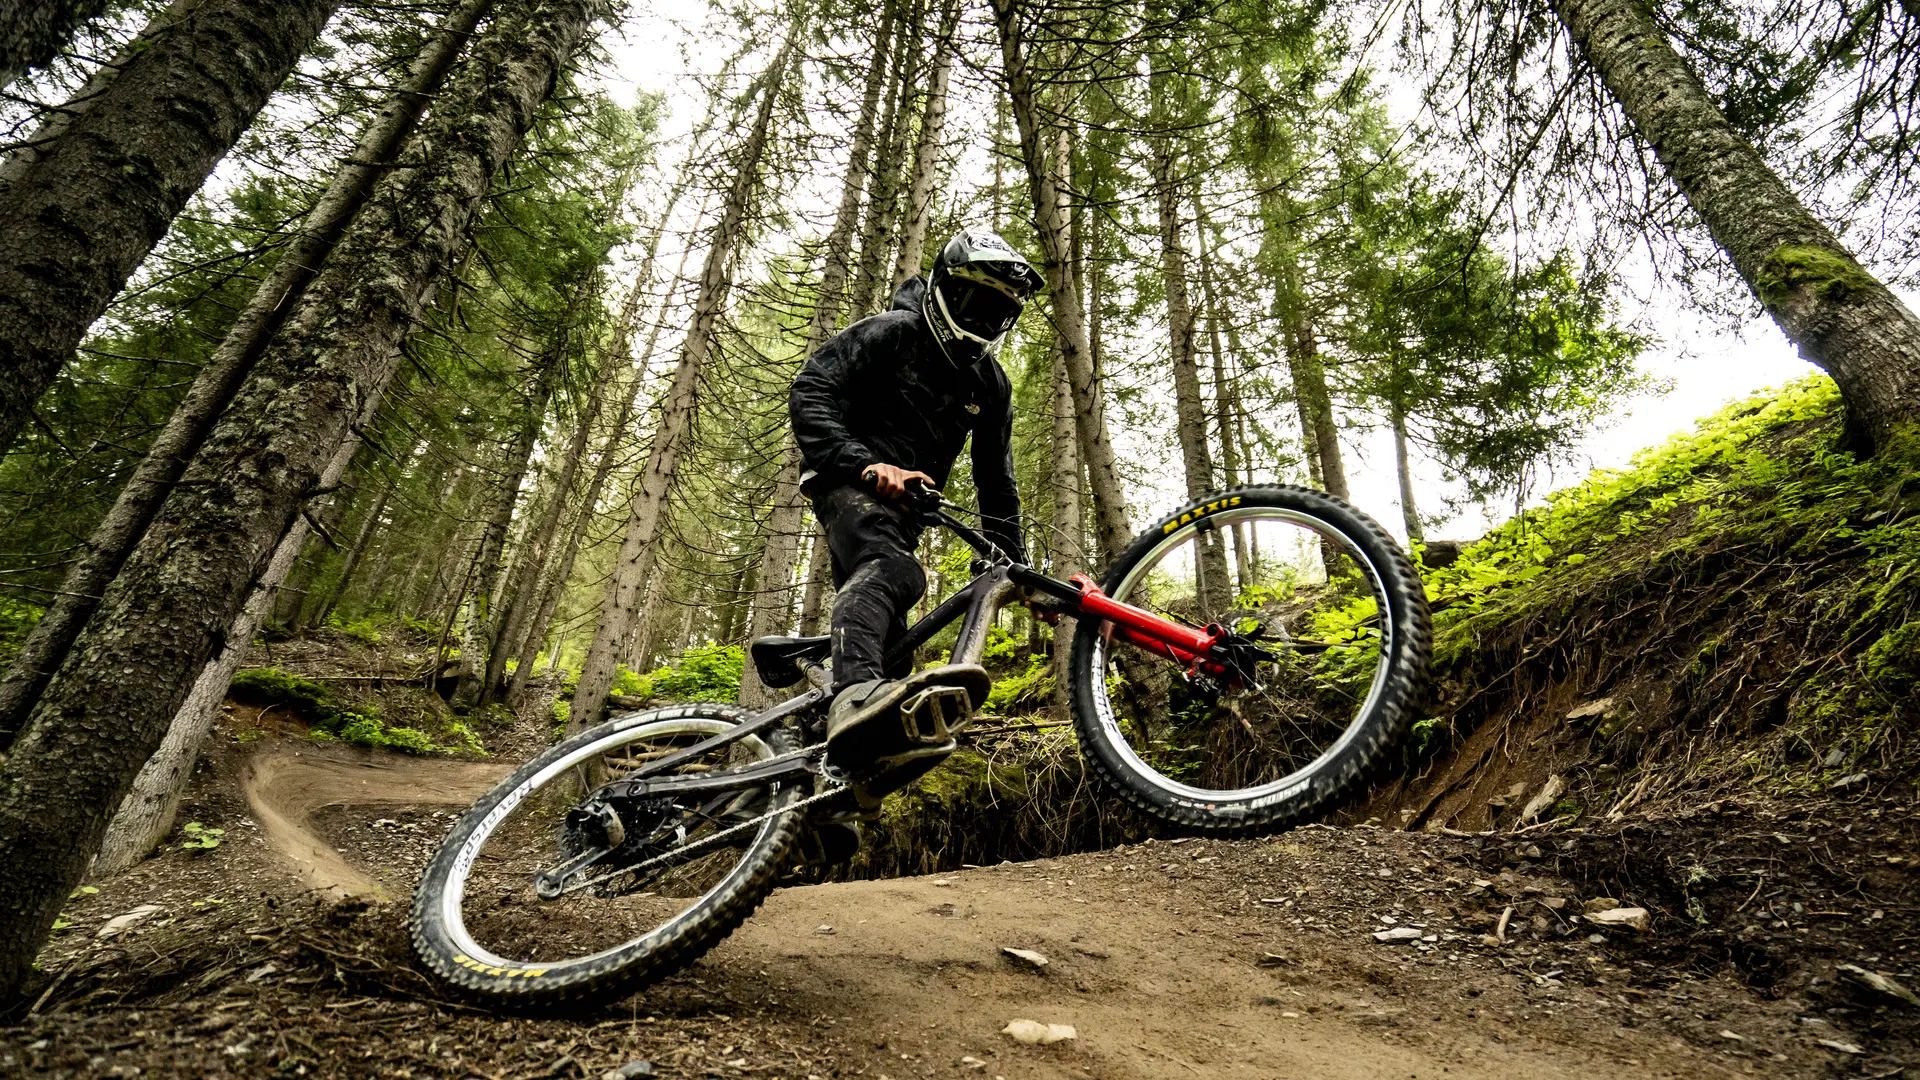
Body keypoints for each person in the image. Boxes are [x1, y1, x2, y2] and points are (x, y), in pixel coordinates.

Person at [789, 227, 1041, 768]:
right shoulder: (892, 333)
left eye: (997, 314)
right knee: (895, 573)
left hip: (907, 512)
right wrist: (863, 463)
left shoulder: (989, 384)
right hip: (847, 484)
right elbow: (812, 389)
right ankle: (853, 695)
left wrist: (1010, 562)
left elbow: (996, 479)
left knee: (893, 664)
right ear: (945, 290)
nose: (981, 323)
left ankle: (828, 786)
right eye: (974, 305)